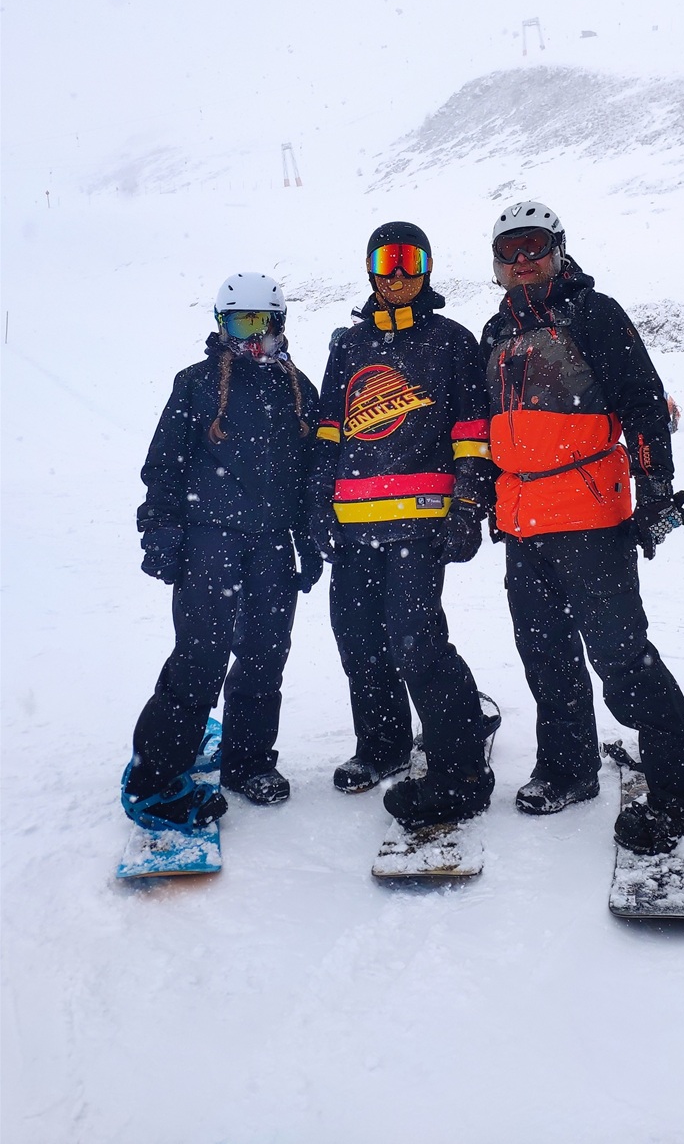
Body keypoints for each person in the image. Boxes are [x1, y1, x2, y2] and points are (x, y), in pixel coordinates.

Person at [480, 199, 684, 856]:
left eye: (534, 246)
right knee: (546, 654)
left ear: (558, 250)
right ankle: (569, 768)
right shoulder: (495, 331)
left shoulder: (593, 313)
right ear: (496, 264)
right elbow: (489, 431)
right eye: (509, 251)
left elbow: (643, 402)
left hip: (590, 518)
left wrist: (654, 491)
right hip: (523, 525)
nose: (523, 260)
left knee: (621, 658)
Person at [310, 221, 495, 831]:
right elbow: (330, 431)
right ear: (369, 269)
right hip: (354, 524)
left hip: (419, 522)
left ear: (427, 268)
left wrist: (467, 506)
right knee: (358, 639)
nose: (396, 275)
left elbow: (472, 432)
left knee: (415, 641)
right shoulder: (349, 345)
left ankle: (459, 758)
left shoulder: (451, 341)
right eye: (385, 261)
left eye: (408, 261)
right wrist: (318, 504)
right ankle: (383, 744)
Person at [121, 274, 322, 831]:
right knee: (200, 655)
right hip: (210, 539)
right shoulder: (196, 383)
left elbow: (309, 475)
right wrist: (160, 530)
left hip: (271, 543)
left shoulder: (297, 388)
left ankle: (249, 760)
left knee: (265, 653)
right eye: (239, 322)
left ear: (280, 323)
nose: (252, 336)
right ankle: (156, 778)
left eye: (262, 322)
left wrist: (308, 539)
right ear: (221, 325)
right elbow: (164, 464)